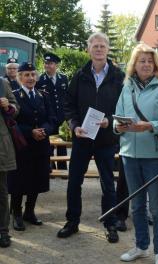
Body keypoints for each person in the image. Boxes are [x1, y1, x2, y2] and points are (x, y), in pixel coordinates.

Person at [115, 43, 158, 264]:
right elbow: (118, 117)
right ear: (134, 64)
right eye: (141, 60)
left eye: (150, 61)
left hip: (154, 156)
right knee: (137, 205)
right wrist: (118, 127)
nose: (146, 64)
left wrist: (150, 125)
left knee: (157, 207)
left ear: (155, 64)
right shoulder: (127, 87)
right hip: (129, 155)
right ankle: (141, 246)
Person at [57, 32, 124, 243]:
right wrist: (74, 125)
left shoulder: (118, 76)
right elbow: (68, 105)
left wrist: (110, 120)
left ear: (108, 49)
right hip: (83, 138)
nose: (98, 49)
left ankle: (110, 223)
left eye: (102, 46)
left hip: (106, 139)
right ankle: (72, 221)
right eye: (95, 46)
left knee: (107, 184)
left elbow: (125, 108)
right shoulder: (79, 75)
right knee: (74, 182)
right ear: (88, 49)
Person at [8, 62, 56, 231]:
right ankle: (17, 214)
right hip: (23, 147)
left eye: (33, 74)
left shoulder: (43, 95)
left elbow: (52, 119)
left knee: (36, 179)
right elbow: (11, 122)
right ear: (20, 77)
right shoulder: (14, 97)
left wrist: (45, 130)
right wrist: (30, 132)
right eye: (26, 75)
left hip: (41, 146)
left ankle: (30, 211)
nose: (30, 78)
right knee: (19, 182)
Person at [37, 52, 69, 170]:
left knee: (62, 144)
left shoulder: (63, 78)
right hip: (48, 118)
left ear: (56, 65)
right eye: (46, 63)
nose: (47, 65)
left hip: (62, 117)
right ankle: (49, 167)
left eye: (50, 63)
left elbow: (67, 98)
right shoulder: (40, 80)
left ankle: (62, 168)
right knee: (48, 143)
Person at [0, 78, 19, 247]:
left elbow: (15, 108)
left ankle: (2, 231)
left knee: (1, 192)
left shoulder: (1, 83)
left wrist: (8, 106)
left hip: (0, 146)